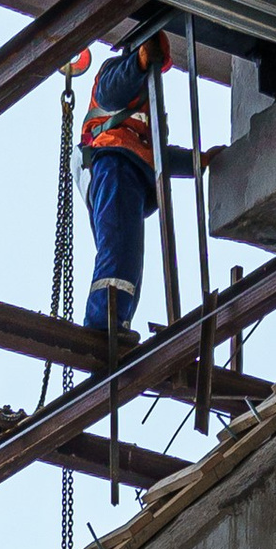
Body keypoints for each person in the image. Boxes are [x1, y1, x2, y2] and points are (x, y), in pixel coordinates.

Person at [80, 31, 172, 343]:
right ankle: (101, 323)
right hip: (114, 162)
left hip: (129, 170)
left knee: (129, 258)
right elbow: (110, 93)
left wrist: (198, 161)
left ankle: (114, 322)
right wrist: (139, 63)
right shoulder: (115, 71)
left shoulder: (149, 99)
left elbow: (158, 152)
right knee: (118, 249)